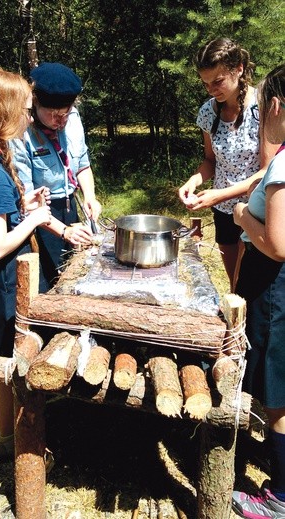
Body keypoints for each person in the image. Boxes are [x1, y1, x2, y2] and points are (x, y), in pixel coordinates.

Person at [0, 68, 52, 459]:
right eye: (24, 110)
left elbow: (0, 218)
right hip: (0, 280)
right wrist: (35, 221)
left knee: (11, 355)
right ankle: (7, 441)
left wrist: (24, 207)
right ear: (4, 112)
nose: (29, 117)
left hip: (4, 278)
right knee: (5, 362)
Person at [178, 37, 278, 291]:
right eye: (206, 83)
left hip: (254, 210)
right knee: (233, 284)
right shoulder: (208, 112)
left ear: (239, 69)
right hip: (222, 211)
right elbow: (210, 161)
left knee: (248, 284)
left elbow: (266, 171)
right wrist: (194, 180)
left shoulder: (263, 107)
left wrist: (220, 194)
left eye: (218, 81)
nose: (212, 89)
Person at [231, 63, 285, 517]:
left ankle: (280, 498)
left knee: (277, 388)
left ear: (274, 106)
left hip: (275, 287)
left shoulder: (284, 163)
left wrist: (242, 218)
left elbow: (278, 245)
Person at [12, 62, 101, 291]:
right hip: (40, 219)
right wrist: (64, 231)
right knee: (45, 285)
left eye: (66, 114)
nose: (61, 121)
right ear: (35, 104)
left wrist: (90, 196)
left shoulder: (72, 119)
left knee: (75, 276)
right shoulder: (21, 133)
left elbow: (82, 164)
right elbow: (27, 201)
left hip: (69, 206)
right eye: (53, 115)